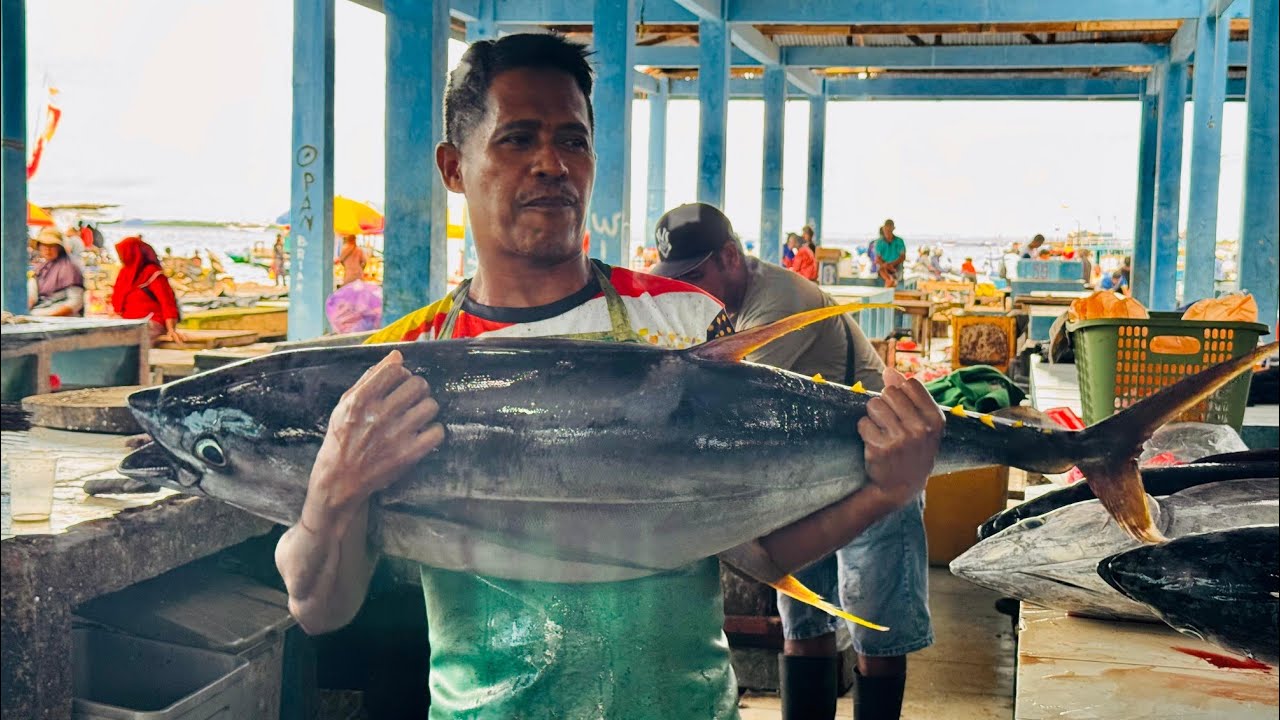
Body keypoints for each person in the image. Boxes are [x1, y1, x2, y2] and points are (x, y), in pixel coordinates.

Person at [273, 33, 944, 719]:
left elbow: (754, 548)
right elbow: (320, 608)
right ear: (453, 166)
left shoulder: (681, 320)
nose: (551, 165)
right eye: (517, 140)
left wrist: (885, 490)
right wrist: (334, 488)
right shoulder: (401, 362)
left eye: (573, 140)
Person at [649, 202, 935, 720]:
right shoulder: (722, 308)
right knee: (803, 624)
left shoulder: (780, 304)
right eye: (674, 279)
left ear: (731, 257)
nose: (684, 290)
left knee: (877, 634)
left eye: (694, 276)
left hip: (879, 469)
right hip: (808, 479)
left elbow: (722, 409)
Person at [111, 235, 185, 342]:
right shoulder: (125, 273)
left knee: (128, 338)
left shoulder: (153, 273)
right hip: (127, 321)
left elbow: (167, 303)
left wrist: (171, 330)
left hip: (151, 322)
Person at [30, 229, 85, 317]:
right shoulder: (40, 268)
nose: (47, 249)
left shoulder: (70, 268)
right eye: (44, 245)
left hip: (64, 318)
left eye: (52, 246)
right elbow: (32, 296)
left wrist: (52, 316)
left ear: (59, 248)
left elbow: (76, 302)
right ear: (39, 247)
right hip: (40, 313)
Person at [874, 219, 906, 288]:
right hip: (884, 266)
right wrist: (885, 265)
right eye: (886, 229)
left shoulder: (899, 241)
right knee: (882, 270)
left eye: (889, 230)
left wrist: (892, 265)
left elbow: (902, 257)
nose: (888, 232)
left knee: (895, 276)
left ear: (893, 229)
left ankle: (891, 282)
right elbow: (878, 258)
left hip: (896, 266)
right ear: (883, 228)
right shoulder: (879, 242)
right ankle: (890, 281)